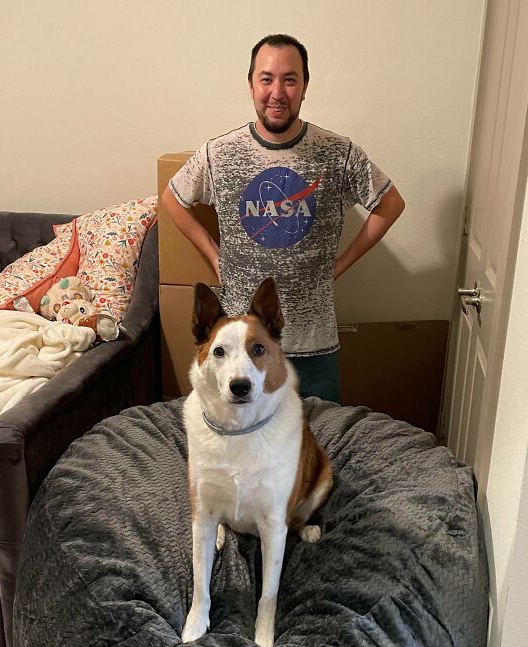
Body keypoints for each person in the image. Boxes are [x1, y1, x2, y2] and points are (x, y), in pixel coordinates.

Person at [161, 33, 405, 402]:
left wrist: (340, 265)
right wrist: (213, 254)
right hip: (244, 351)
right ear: (251, 85)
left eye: (290, 79)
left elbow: (391, 204)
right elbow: (172, 198)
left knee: (319, 443)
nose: (277, 91)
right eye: (267, 78)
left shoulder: (337, 152)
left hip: (315, 344)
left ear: (305, 86)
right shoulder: (220, 154)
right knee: (247, 450)